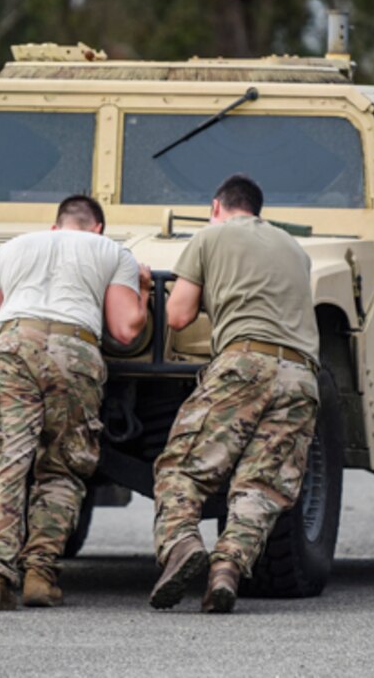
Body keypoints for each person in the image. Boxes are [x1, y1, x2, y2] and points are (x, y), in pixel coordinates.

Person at [0, 195, 151, 611]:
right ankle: (39, 575)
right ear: (97, 228)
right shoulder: (113, 252)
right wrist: (143, 290)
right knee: (62, 465)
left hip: (13, 344)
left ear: (54, 226)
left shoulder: (7, 249)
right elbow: (125, 329)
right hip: (74, 350)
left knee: (6, 462)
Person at [150, 174, 319, 614]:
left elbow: (180, 315)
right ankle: (226, 570)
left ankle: (183, 544)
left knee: (181, 467)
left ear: (216, 206)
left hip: (244, 363)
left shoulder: (210, 236)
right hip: (302, 376)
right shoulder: (295, 249)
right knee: (260, 486)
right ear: (257, 210)